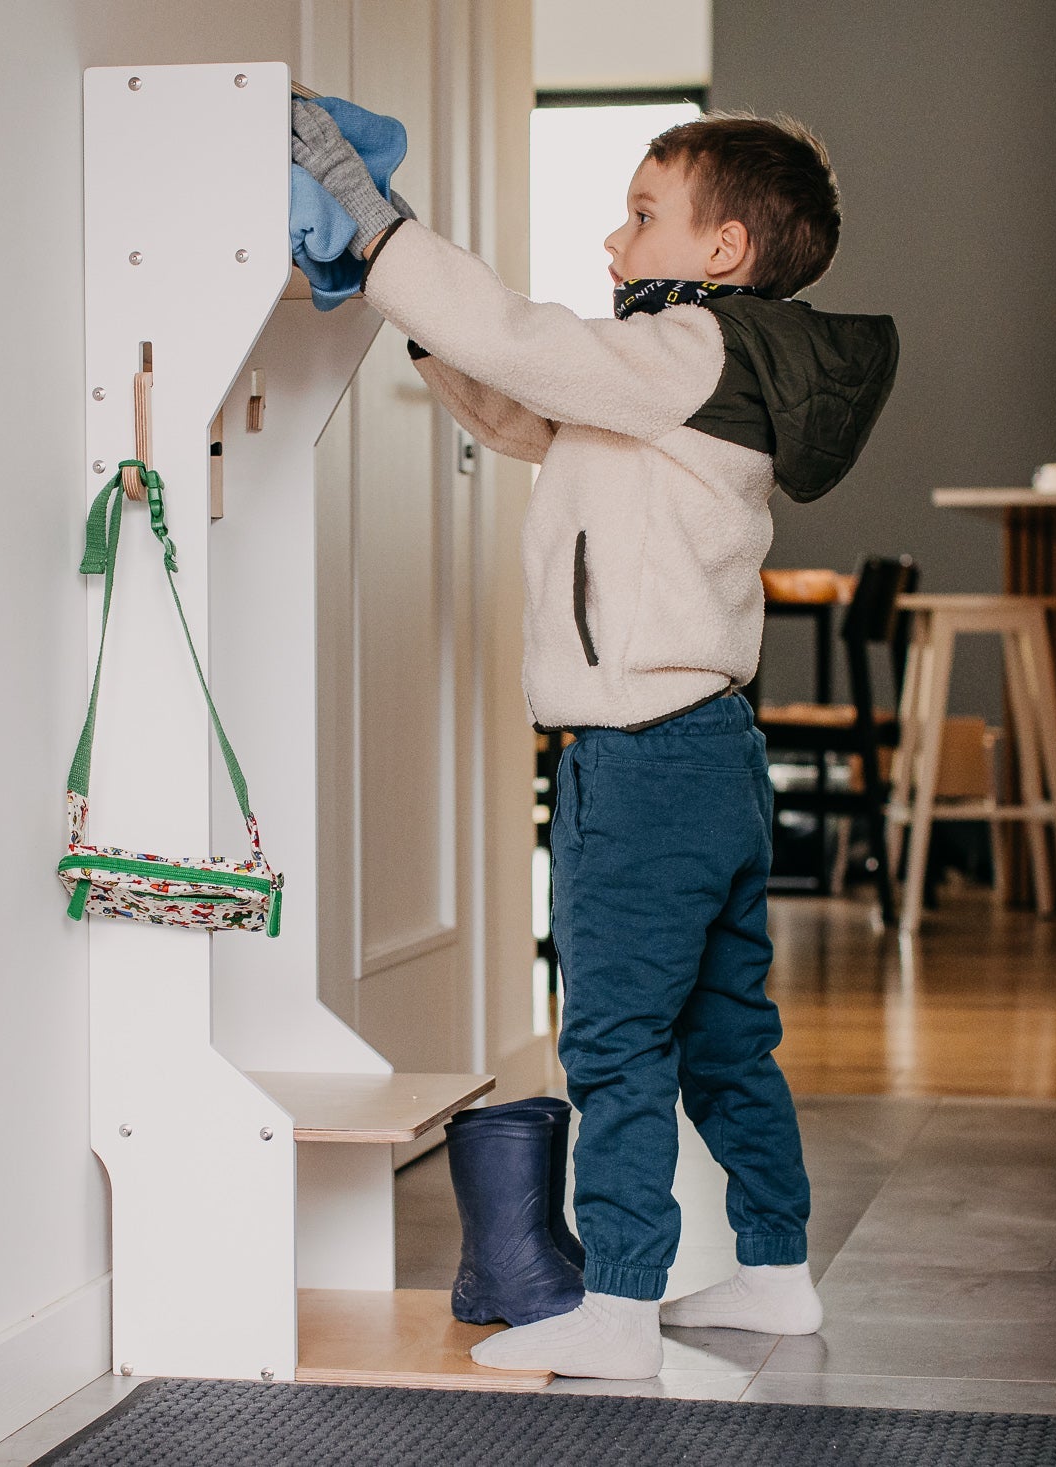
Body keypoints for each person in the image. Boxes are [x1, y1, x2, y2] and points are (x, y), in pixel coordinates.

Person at [292, 105, 899, 1380]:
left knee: (615, 1035)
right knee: (728, 1033)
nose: (613, 235)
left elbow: (527, 343)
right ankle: (777, 1273)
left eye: (641, 213)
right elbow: (527, 407)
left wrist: (382, 224)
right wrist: (398, 300)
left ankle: (619, 1305)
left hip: (642, 759)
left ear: (722, 249)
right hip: (712, 751)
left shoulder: (686, 344)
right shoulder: (698, 368)